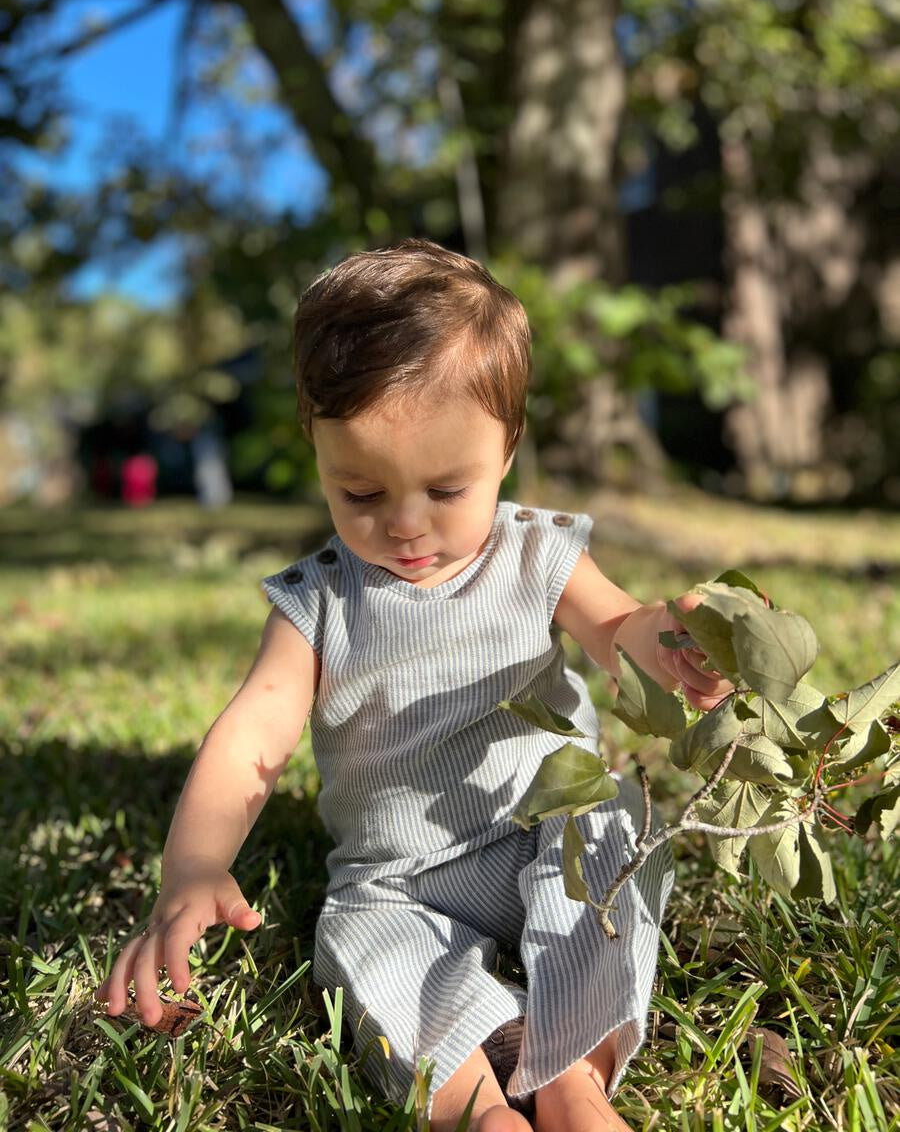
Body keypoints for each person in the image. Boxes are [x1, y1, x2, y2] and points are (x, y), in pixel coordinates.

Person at [96, 239, 732, 1132]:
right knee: (354, 940)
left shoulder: (534, 552)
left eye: (446, 487)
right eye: (358, 491)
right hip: (400, 878)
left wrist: (672, 639)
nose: (404, 525)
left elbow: (617, 627)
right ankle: (478, 1109)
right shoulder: (321, 599)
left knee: (617, 824)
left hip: (542, 826)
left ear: (506, 450)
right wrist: (193, 867)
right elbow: (252, 733)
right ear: (316, 450)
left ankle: (573, 1079)